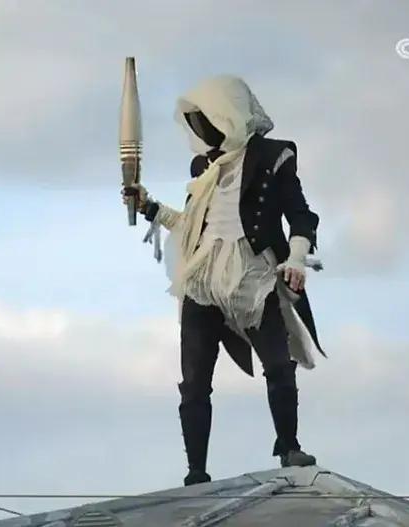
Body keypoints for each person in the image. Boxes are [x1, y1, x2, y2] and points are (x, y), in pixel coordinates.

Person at [122, 75, 326, 486]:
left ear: (227, 115)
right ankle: (196, 470)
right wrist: (149, 206)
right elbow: (192, 226)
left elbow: (301, 215)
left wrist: (296, 259)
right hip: (203, 280)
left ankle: (288, 446)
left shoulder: (274, 156)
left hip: (254, 278)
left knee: (278, 364)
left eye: (206, 119)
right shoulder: (203, 167)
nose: (201, 129)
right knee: (194, 380)